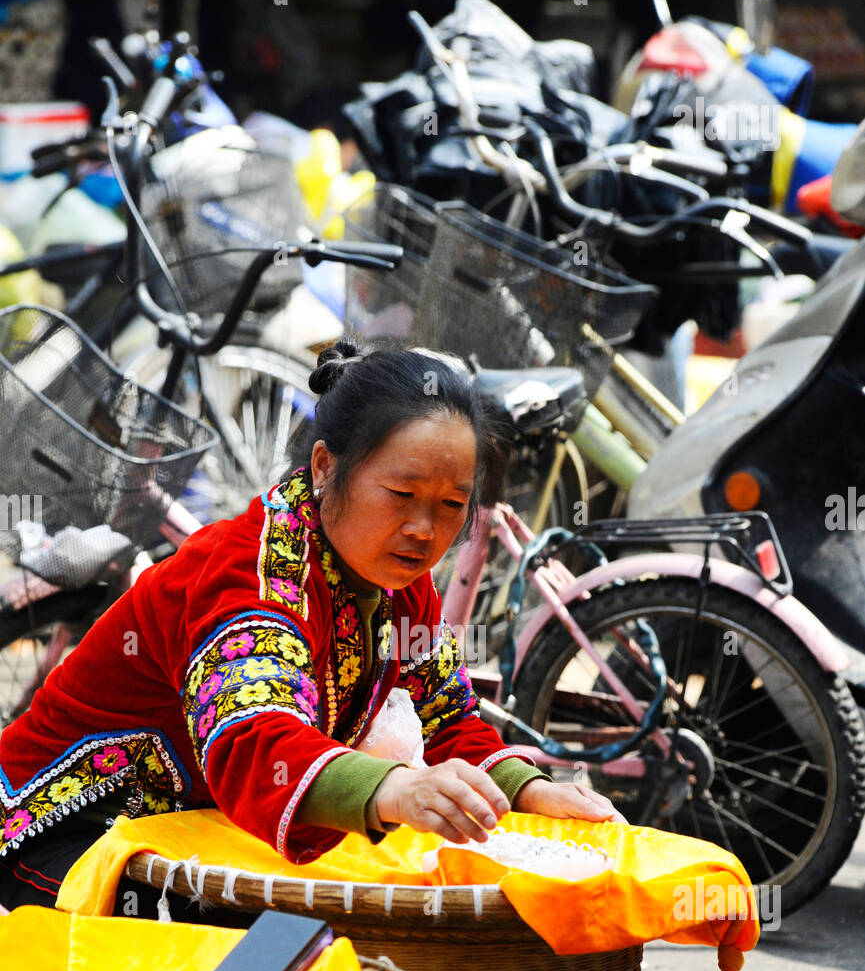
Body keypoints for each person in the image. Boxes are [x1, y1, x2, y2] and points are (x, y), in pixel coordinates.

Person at [0, 340, 623, 918]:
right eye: (401, 493)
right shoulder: (253, 572)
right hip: (67, 833)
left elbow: (443, 716)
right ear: (325, 467)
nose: (425, 530)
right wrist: (395, 787)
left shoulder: (400, 583)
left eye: (451, 505)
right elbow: (253, 739)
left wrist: (528, 789)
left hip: (190, 838)